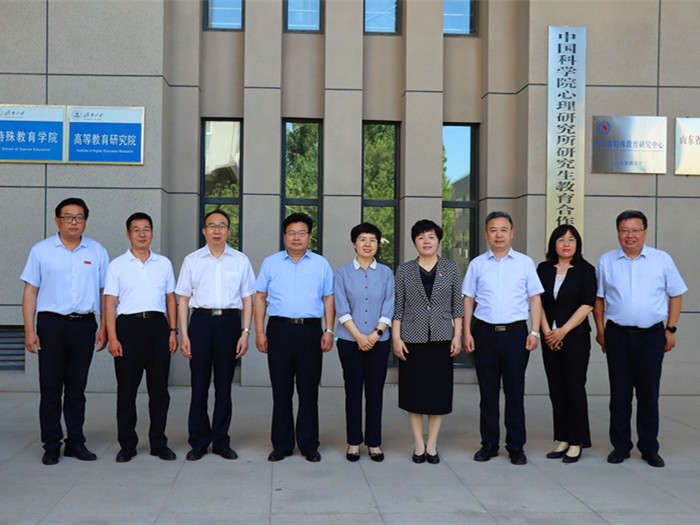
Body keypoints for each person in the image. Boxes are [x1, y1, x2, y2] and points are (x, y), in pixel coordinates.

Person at [594, 210, 687, 468]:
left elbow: (676, 294)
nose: (630, 235)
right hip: (617, 335)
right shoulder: (606, 261)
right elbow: (599, 299)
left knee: (648, 394)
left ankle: (649, 448)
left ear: (645, 232)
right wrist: (600, 332)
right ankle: (620, 446)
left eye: (635, 230)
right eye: (625, 230)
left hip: (651, 336)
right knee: (619, 395)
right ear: (618, 233)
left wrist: (671, 329)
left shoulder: (661, 259)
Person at [20, 197, 109, 465]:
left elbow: (105, 293)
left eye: (79, 217)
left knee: (76, 389)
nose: (74, 222)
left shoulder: (97, 251)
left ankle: (75, 442)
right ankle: (51, 444)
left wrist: (104, 326)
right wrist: (29, 330)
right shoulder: (41, 250)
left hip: (84, 325)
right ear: (57, 220)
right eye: (68, 217)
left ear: (85, 221)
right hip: (51, 325)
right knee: (50, 387)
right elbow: (30, 292)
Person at [462, 211, 543, 465]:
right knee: (487, 393)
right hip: (484, 333)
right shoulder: (477, 264)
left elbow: (535, 299)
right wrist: (466, 332)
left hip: (516, 334)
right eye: (493, 230)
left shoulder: (524, 263)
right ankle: (489, 443)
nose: (499, 234)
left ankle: (516, 446)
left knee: (515, 392)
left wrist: (534, 331)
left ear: (512, 233)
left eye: (504, 229)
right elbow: (468, 299)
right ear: (486, 234)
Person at [175, 209, 255, 461]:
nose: (217, 230)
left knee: (224, 386)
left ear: (229, 231)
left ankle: (221, 441)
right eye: (212, 226)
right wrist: (184, 334)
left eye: (222, 226)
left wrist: (245, 333)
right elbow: (183, 299)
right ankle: (199, 441)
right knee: (198, 385)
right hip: (200, 322)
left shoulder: (240, 260)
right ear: (204, 231)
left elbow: (248, 299)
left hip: (230, 323)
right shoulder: (192, 260)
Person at [255, 213, 335, 463]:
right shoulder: (271, 263)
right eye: (291, 232)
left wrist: (329, 330)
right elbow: (260, 297)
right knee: (281, 390)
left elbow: (328, 298)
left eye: (302, 233)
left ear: (309, 236)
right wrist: (260, 331)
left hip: (310, 331)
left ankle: (309, 444)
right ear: (284, 236)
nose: (296, 237)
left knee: (308, 390)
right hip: (279, 329)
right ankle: (282, 444)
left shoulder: (321, 264)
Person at [103, 212, 178, 463]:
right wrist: (113, 338)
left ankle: (159, 443)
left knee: (159, 390)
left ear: (152, 233)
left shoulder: (163, 263)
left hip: (158, 327)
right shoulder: (117, 265)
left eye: (146, 229)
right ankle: (127, 444)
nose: (142, 234)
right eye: (136, 230)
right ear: (128, 234)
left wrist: (173, 331)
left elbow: (170, 300)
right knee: (126, 390)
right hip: (128, 328)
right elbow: (110, 304)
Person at [392, 219, 463, 465]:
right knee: (413, 392)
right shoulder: (404, 270)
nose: (426, 241)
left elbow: (457, 306)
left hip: (442, 337)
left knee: (437, 393)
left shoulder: (451, 267)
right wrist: (396, 338)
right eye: (421, 237)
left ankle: (432, 444)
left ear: (438, 240)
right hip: (412, 338)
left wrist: (457, 335)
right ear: (415, 242)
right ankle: (418, 443)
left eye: (431, 236)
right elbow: (398, 307)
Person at [334, 223, 394, 462]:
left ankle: (374, 442)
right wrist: (359, 336)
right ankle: (353, 442)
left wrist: (375, 335)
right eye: (362, 239)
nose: (367, 244)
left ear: (378, 244)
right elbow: (341, 307)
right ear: (354, 243)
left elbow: (389, 305)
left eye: (372, 240)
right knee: (353, 391)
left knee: (375, 392)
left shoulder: (386, 273)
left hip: (379, 342)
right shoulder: (342, 272)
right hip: (349, 341)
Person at [537, 225, 596, 463]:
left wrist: (562, 331)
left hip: (575, 337)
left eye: (571, 239)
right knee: (556, 389)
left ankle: (576, 441)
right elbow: (538, 302)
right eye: (561, 239)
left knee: (574, 387)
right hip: (549, 338)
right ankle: (562, 437)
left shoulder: (586, 270)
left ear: (577, 243)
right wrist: (546, 332)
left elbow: (587, 305)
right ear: (554, 243)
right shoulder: (543, 269)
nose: (566, 244)